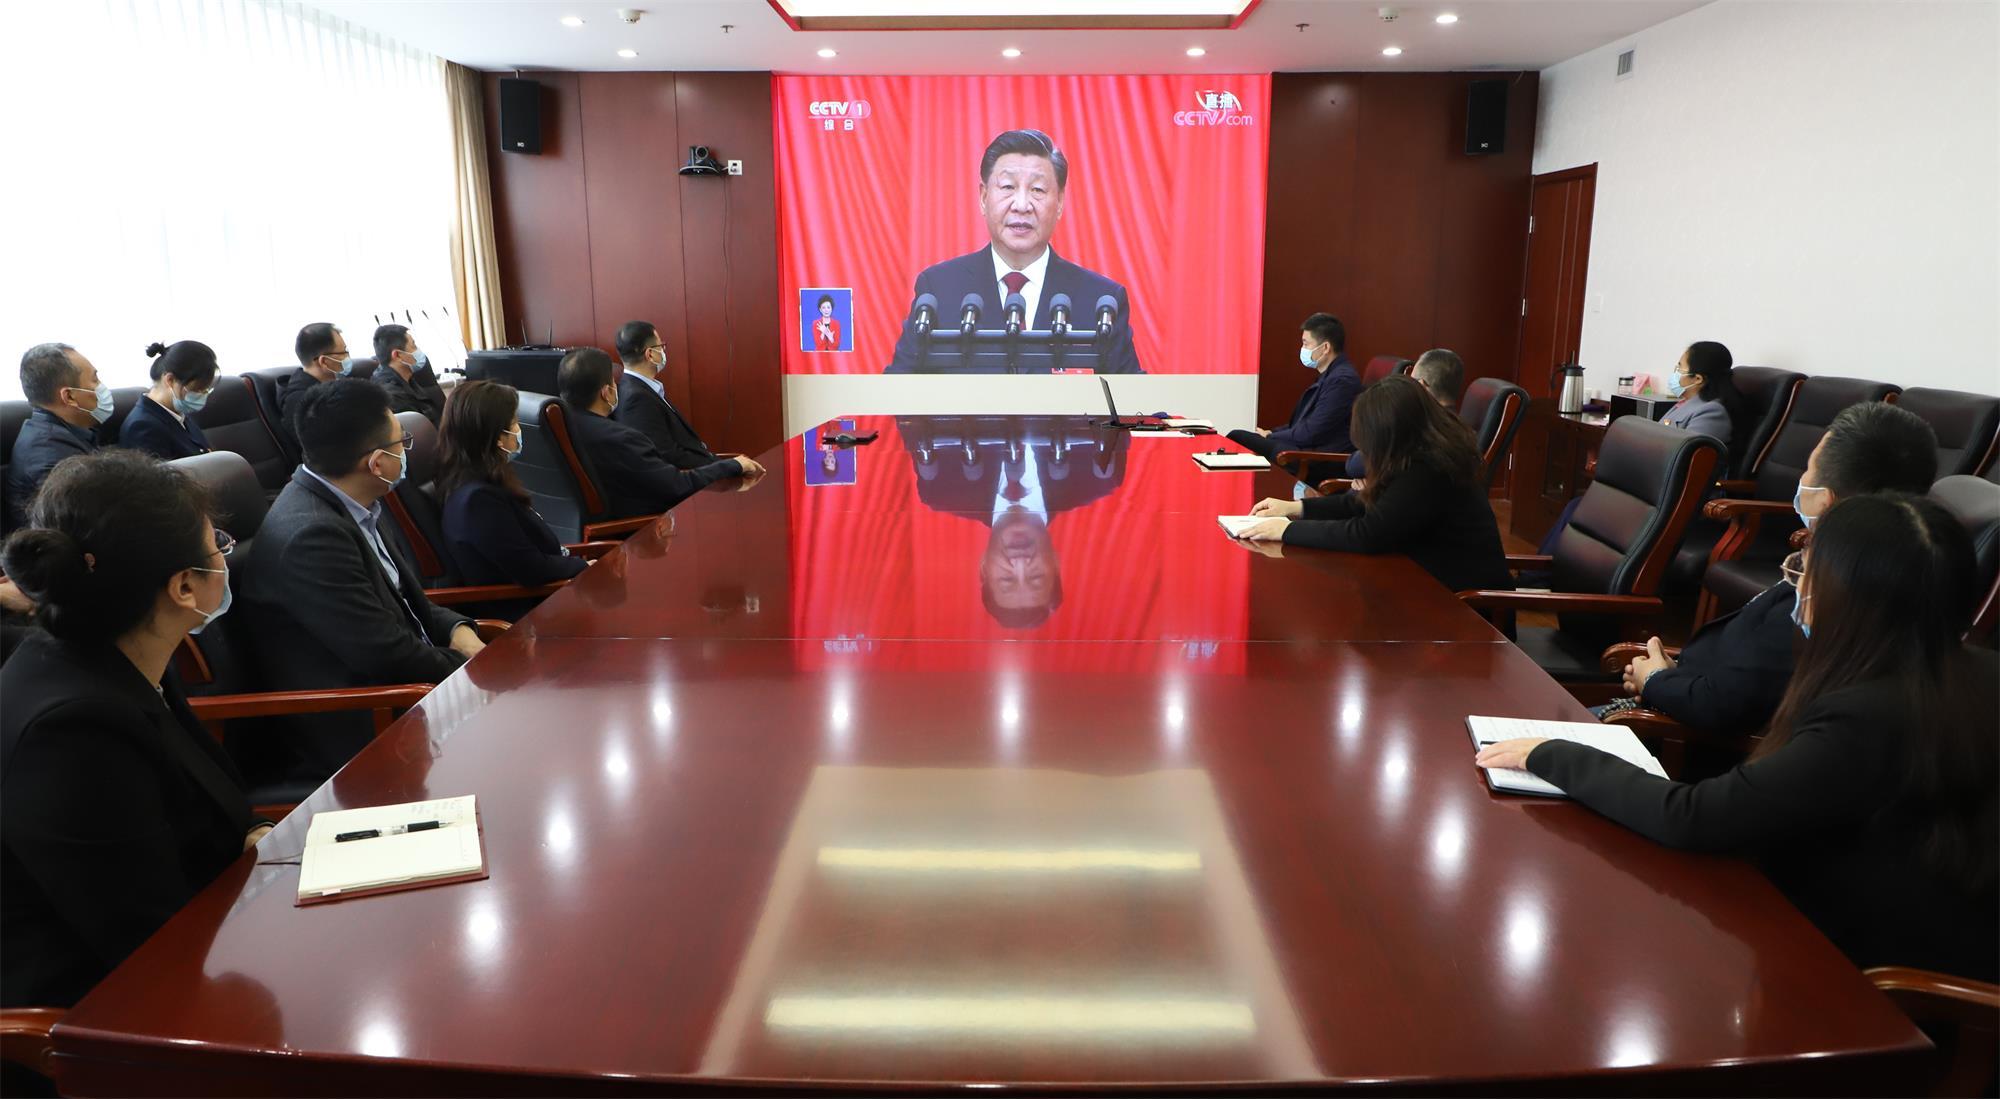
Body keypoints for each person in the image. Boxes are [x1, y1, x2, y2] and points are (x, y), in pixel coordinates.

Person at [1479, 493, 1998, 981]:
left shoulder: (1866, 717)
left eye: (1809, 577)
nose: (1799, 593)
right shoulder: (1974, 673)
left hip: (1868, 980)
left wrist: (1553, 754)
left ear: (1848, 602)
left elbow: (1692, 817)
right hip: (1902, 937)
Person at [2, 450, 268, 1009]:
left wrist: (251, 839)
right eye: (218, 545)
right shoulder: (73, 733)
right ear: (184, 588)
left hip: (205, 938)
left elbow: (206, 813)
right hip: (107, 1016)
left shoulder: (121, 654)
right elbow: (151, 947)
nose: (226, 554)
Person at [1608, 400, 1939, 733]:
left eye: (1808, 468)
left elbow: (1724, 706)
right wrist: (1671, 677)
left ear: (1825, 500)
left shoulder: (1817, 601)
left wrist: (1655, 680)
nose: (1802, 477)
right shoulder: (1898, 575)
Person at [235, 378, 481, 785]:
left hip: (406, 690)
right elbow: (384, 654)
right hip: (364, 719)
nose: (406, 451)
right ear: (377, 463)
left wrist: (459, 630)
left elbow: (403, 602)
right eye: (402, 442)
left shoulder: (354, 503)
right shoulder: (312, 536)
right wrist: (472, 671)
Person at [886, 129, 1142, 374]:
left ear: (1060, 202)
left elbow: (1131, 397)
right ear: (983, 197)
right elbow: (899, 389)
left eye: (1037, 190)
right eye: (1008, 187)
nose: (1021, 205)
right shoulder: (939, 290)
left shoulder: (1101, 301)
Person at [1237, 375, 1510, 594]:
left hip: (1463, 607)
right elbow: (1365, 502)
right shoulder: (1417, 453)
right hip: (1423, 582)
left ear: (1390, 434)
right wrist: (1296, 509)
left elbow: (1368, 534)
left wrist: (1287, 530)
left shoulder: (1429, 468)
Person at [900, 415, 1129, 629]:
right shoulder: (1098, 476)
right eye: (1036, 577)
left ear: (983, 568)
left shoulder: (943, 487)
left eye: (1007, 579)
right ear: (1056, 564)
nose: (1020, 562)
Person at [558, 347, 761, 519]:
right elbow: (676, 487)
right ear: (607, 392)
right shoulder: (621, 438)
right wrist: (731, 465)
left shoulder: (558, 428)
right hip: (638, 530)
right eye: (614, 382)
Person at [436, 380, 590, 587]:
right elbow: (532, 570)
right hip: (532, 600)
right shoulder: (478, 501)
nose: (518, 429)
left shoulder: (477, 479)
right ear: (498, 438)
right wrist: (585, 567)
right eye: (514, 422)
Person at [1226, 313, 1359, 461]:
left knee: (1236, 437)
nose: (1303, 349)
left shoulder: (1342, 381)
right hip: (1305, 447)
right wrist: (1271, 433)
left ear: (1325, 347)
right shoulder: (1331, 375)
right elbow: (1300, 424)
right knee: (1240, 436)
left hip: (1314, 456)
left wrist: (1270, 436)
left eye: (1306, 344)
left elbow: (1311, 432)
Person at [5, 344, 107, 533]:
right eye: (95, 379)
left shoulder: (69, 432)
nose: (102, 387)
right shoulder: (50, 457)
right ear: (69, 396)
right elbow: (88, 528)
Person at [611, 320, 723, 469]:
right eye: (661, 346)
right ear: (650, 354)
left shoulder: (640, 388)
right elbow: (667, 456)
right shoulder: (637, 399)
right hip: (691, 474)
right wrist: (724, 467)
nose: (663, 351)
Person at [1344, 347, 1465, 482]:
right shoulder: (1460, 429)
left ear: (1421, 385)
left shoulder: (1416, 423)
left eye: (1411, 380)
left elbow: (1354, 465)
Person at [117, 340, 217, 460]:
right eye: (196, 389)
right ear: (170, 380)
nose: (202, 395)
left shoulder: (177, 413)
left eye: (206, 390)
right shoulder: (142, 428)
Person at [1659, 340, 1745, 463]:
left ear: (1698, 379)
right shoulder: (1686, 403)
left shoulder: (1712, 411)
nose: (1675, 373)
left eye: (1680, 368)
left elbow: (1687, 458)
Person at [276, 322, 350, 451]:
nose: (347, 357)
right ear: (324, 361)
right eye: (344, 352)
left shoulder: (335, 384)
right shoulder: (301, 402)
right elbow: (329, 449)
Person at [370, 323, 446, 425]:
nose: (418, 351)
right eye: (413, 346)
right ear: (397, 355)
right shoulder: (393, 397)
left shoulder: (407, 378)